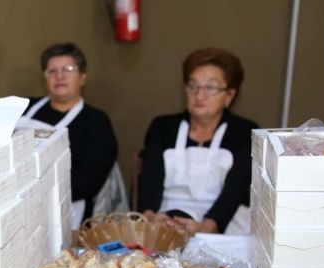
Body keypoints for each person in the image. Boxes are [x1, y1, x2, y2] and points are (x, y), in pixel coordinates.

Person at [137, 47, 259, 235]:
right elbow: (150, 178)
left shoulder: (244, 132)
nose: (199, 95)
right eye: (193, 86)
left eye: (210, 87)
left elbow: (237, 187)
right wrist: (151, 217)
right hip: (166, 223)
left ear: (229, 95)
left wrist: (208, 226)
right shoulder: (162, 127)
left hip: (225, 226)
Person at [17, 42, 120, 224]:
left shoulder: (96, 121)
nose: (60, 76)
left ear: (82, 77)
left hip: (68, 211)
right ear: (45, 79)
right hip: (18, 202)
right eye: (52, 71)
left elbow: (90, 182)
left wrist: (37, 189)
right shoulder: (23, 108)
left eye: (68, 69)